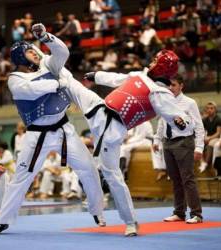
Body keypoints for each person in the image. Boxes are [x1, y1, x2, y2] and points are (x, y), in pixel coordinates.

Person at [59, 49, 193, 236]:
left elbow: (177, 116)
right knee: (70, 82)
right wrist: (97, 76)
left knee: (112, 175)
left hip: (113, 131)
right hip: (99, 109)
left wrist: (181, 121)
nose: (152, 62)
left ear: (163, 67)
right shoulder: (140, 74)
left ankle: (130, 222)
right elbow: (117, 79)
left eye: (156, 60)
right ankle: (43, 56)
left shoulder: (161, 93)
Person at [0, 23, 105, 235]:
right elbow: (31, 91)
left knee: (88, 168)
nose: (35, 52)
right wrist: (60, 84)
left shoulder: (48, 65)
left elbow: (63, 52)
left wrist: (45, 37)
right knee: (22, 177)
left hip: (63, 129)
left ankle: (97, 211)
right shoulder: (15, 79)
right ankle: (2, 221)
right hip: (36, 135)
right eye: (29, 51)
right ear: (21, 58)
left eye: (34, 49)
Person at [153, 74, 204, 223]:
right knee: (175, 180)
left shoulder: (189, 103)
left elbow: (199, 126)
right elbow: (162, 122)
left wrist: (199, 147)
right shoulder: (165, 101)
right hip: (167, 143)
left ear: (181, 86)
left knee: (187, 179)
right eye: (169, 85)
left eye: (174, 85)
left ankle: (196, 214)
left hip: (184, 143)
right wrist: (157, 139)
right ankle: (179, 212)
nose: (171, 88)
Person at [198, 102, 221, 172]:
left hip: (217, 138)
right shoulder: (205, 120)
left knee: (210, 143)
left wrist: (209, 138)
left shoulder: (218, 119)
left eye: (211, 108)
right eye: (208, 108)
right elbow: (203, 131)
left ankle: (206, 162)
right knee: (199, 143)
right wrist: (204, 137)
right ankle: (202, 162)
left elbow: (218, 133)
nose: (209, 110)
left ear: (215, 109)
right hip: (209, 137)